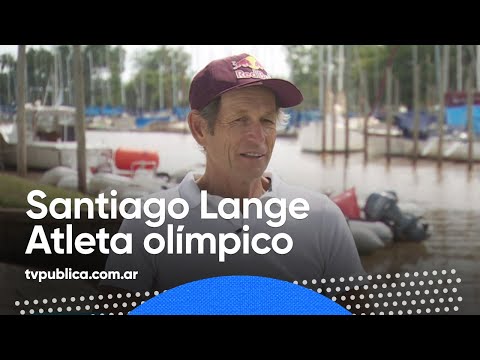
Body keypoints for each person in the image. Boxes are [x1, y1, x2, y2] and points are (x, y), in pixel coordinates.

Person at [98, 53, 366, 313]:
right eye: (240, 120)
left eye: (267, 121)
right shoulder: (148, 221)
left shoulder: (322, 218)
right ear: (200, 128)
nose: (258, 137)